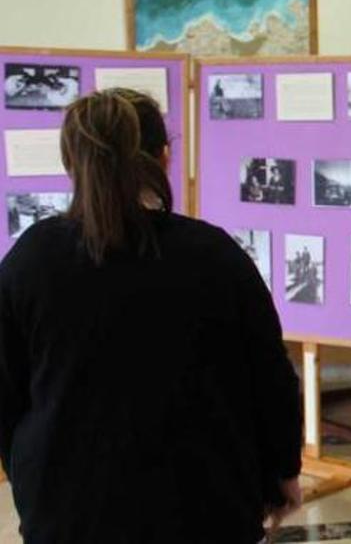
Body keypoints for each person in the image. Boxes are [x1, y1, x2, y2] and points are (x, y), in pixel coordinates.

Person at [0, 89, 302, 543]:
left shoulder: (29, 261)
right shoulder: (215, 255)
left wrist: (33, 485)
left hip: (68, 515)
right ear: (164, 158)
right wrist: (283, 473)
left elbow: (7, 397)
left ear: (72, 164)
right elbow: (270, 378)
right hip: (207, 509)